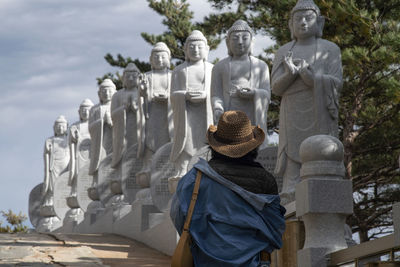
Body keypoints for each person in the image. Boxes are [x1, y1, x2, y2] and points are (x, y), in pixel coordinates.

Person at [171, 110, 285, 267]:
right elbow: (276, 228)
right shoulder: (266, 181)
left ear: (214, 146)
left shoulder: (195, 178)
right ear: (253, 147)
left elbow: (179, 217)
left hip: (204, 260)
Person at [271, 0, 343, 202]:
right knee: (292, 170)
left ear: (319, 22)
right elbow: (275, 88)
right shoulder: (284, 51)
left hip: (319, 109)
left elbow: (337, 83)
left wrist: (312, 79)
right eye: (298, 18)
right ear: (291, 24)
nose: (303, 22)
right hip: (292, 110)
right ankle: (290, 202)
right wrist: (291, 74)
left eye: (308, 18)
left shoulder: (330, 49)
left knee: (321, 157)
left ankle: (324, 198)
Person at [211, 20, 270, 149]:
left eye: (245, 38)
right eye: (235, 38)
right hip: (229, 115)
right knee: (230, 147)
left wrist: (254, 93)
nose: (240, 42)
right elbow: (216, 94)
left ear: (252, 42)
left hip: (252, 115)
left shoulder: (261, 66)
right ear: (228, 43)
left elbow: (266, 93)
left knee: (252, 147)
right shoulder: (219, 67)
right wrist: (217, 108)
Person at [168, 30, 213, 192]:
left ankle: (207, 167)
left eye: (199, 46)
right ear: (186, 50)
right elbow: (173, 95)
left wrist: (206, 96)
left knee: (205, 141)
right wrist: (184, 95)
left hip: (205, 113)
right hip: (186, 115)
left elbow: (216, 94)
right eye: (191, 46)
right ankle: (184, 167)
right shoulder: (179, 70)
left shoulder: (211, 69)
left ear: (206, 49)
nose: (195, 50)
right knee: (185, 142)